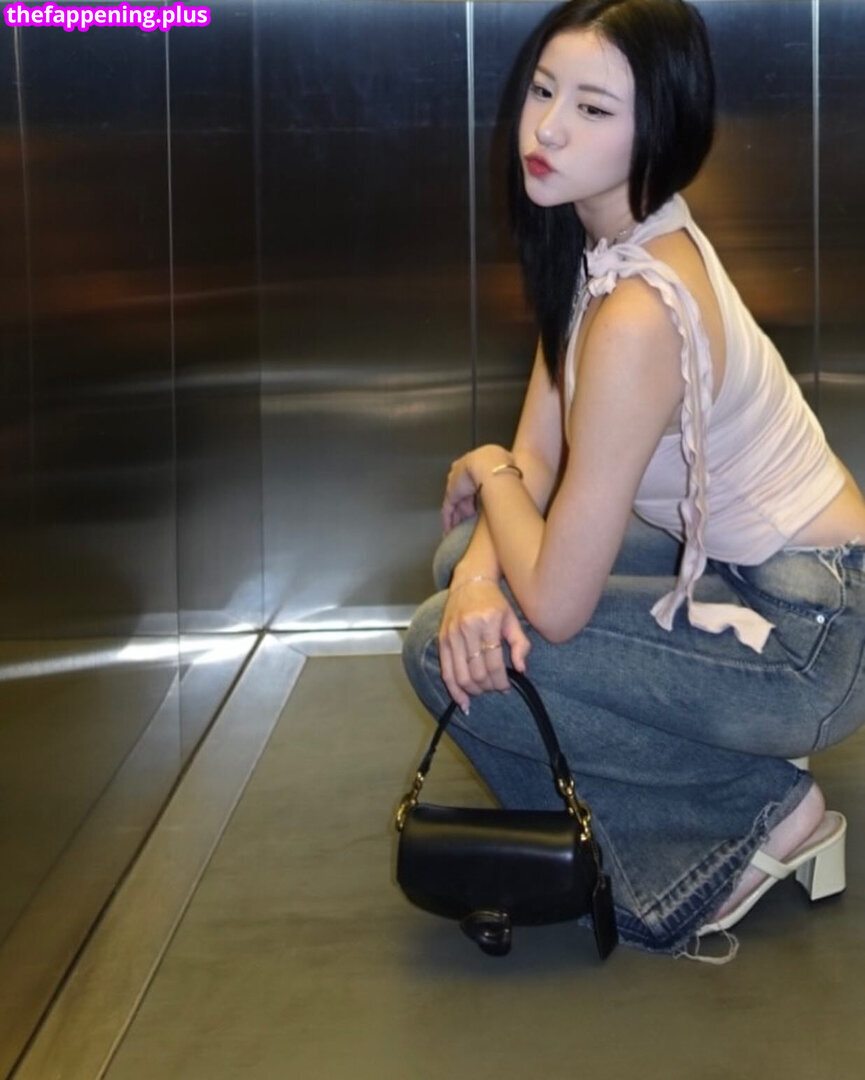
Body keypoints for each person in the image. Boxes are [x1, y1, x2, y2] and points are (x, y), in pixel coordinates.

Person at [401, 0, 865, 959]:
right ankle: (707, 758)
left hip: (815, 634)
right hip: (755, 574)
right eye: (542, 91)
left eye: (592, 108)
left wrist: (484, 470)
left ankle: (754, 815)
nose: (546, 129)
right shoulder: (600, 240)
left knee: (440, 647)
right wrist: (481, 570)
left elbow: (555, 598)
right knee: (463, 575)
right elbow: (537, 457)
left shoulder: (637, 316)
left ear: (659, 128)